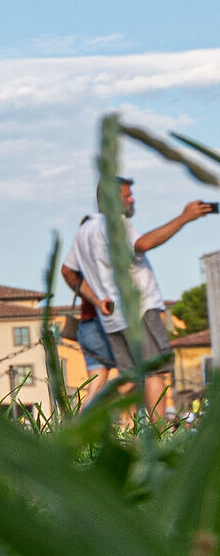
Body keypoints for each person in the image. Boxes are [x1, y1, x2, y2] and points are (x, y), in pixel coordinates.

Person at [62, 179, 216, 418]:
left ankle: (91, 422)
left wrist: (95, 300)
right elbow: (143, 244)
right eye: (127, 195)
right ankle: (159, 435)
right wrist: (186, 217)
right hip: (139, 309)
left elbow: (67, 272)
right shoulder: (115, 224)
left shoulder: (85, 231)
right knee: (155, 372)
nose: (132, 199)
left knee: (130, 379)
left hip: (112, 318)